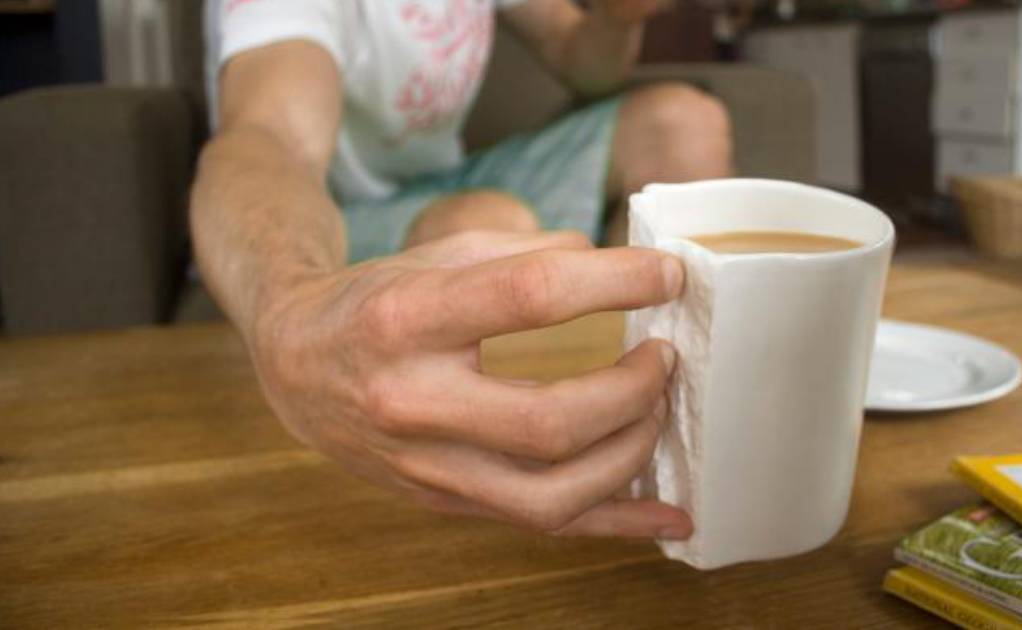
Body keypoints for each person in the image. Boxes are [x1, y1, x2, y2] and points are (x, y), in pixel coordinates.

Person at [191, 0, 732, 540]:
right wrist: (291, 309)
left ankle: (654, 427)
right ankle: (572, 441)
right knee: (494, 227)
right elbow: (271, 136)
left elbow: (578, 58)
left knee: (685, 127)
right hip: (326, 216)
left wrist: (617, 20)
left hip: (443, 180)